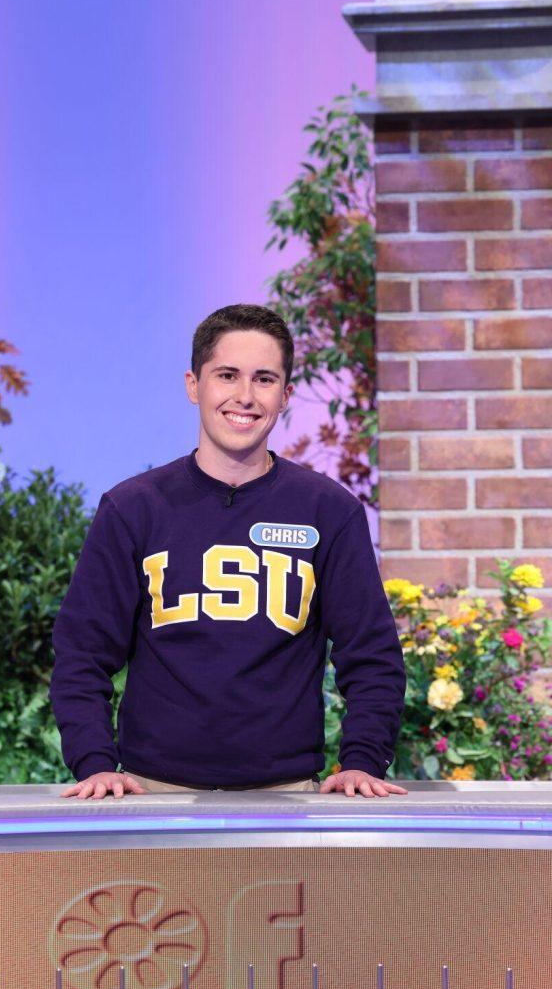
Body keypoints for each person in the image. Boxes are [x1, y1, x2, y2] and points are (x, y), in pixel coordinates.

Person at [50, 304, 407, 800]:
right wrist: (93, 762)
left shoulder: (328, 512)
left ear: (285, 395)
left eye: (264, 379)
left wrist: (362, 760)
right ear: (194, 385)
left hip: (290, 797)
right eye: (227, 375)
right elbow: (82, 652)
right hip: (150, 794)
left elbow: (372, 656)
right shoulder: (132, 509)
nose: (245, 396)